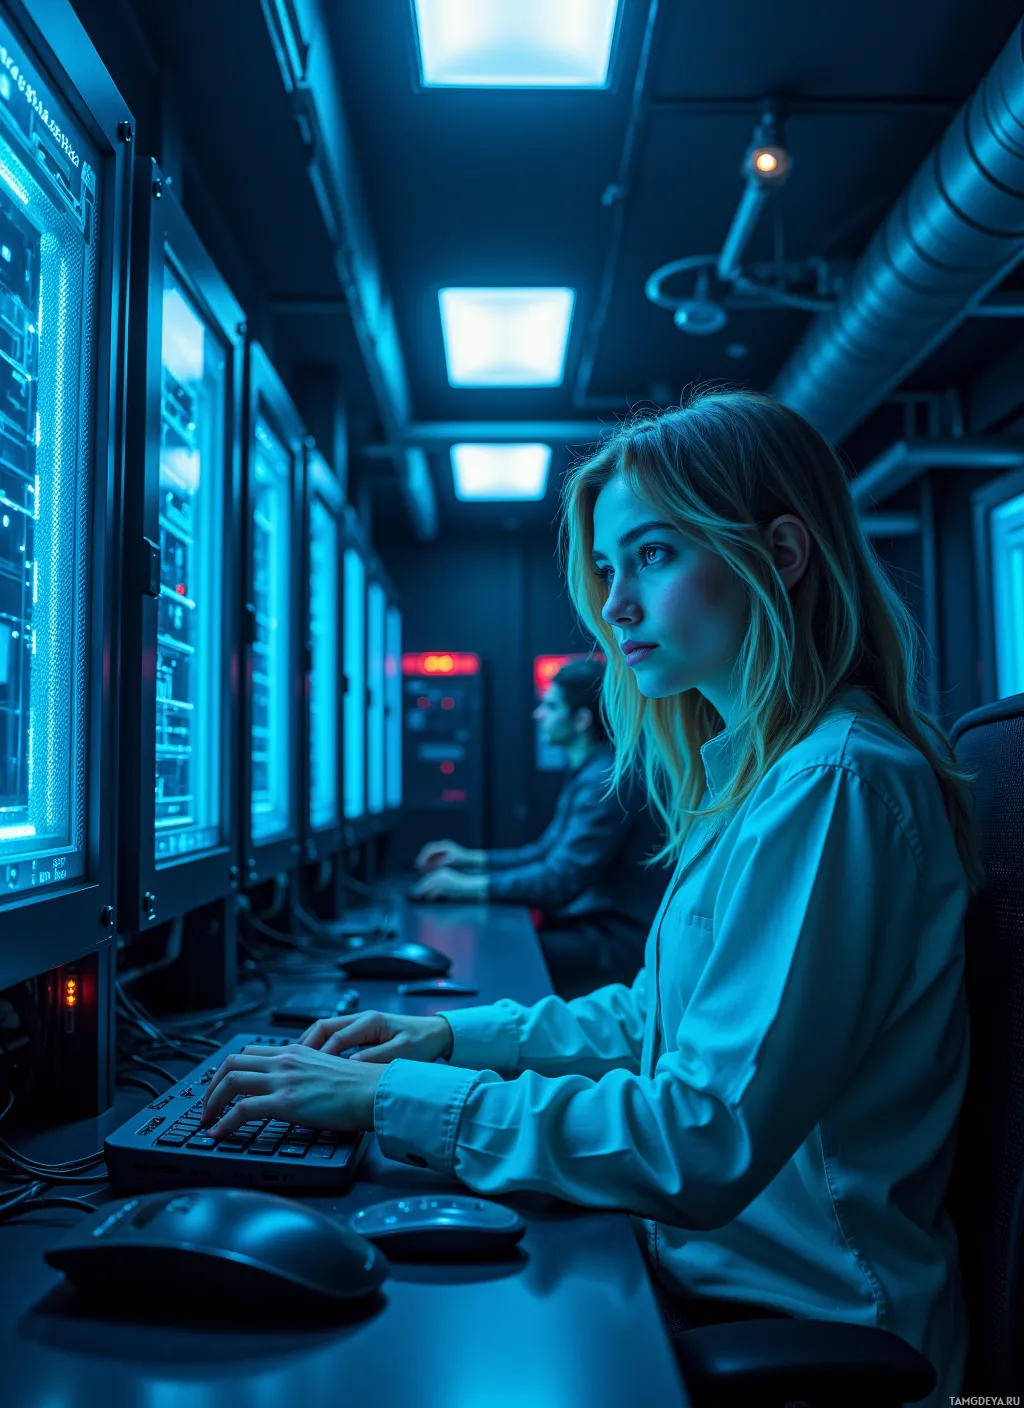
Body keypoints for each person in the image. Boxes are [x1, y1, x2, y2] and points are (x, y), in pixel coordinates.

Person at [201, 389, 982, 1408]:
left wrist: (390, 1102)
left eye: (653, 555)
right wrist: (442, 1042)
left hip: (810, 1324)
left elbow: (702, 1135)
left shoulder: (835, 785)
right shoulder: (757, 777)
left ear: (781, 554)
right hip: (714, 1277)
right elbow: (650, 1020)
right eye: (609, 567)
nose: (614, 605)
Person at [410, 658, 668, 999]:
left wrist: (467, 886)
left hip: (618, 940)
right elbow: (545, 853)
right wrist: (470, 859)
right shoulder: (593, 770)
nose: (539, 715)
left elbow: (559, 880)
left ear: (580, 720)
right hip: (601, 926)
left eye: (550, 705)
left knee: (498, 951)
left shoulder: (604, 781)